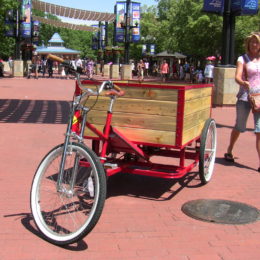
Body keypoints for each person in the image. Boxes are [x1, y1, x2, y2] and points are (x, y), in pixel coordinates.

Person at [224, 32, 260, 172]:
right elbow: (237, 77)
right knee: (240, 127)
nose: (254, 44)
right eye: (252, 42)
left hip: (259, 98)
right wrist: (243, 82)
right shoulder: (242, 58)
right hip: (245, 96)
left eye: (256, 42)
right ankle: (229, 150)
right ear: (248, 43)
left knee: (259, 130)